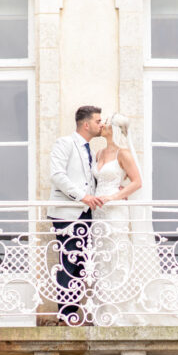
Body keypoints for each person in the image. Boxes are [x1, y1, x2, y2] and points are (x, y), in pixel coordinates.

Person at [46, 105, 104, 326]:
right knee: (68, 260)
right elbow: (57, 175)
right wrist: (82, 197)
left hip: (86, 213)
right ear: (86, 124)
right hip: (68, 212)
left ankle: (73, 311)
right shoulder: (65, 143)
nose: (101, 125)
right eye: (98, 121)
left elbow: (91, 179)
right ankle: (65, 315)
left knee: (80, 262)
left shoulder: (89, 149)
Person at [90, 113, 148, 325]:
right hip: (99, 212)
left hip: (115, 210)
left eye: (106, 122)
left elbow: (137, 182)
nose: (102, 125)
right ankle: (104, 309)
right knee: (101, 257)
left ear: (113, 129)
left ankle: (121, 312)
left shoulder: (123, 154)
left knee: (117, 256)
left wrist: (115, 196)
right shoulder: (99, 153)